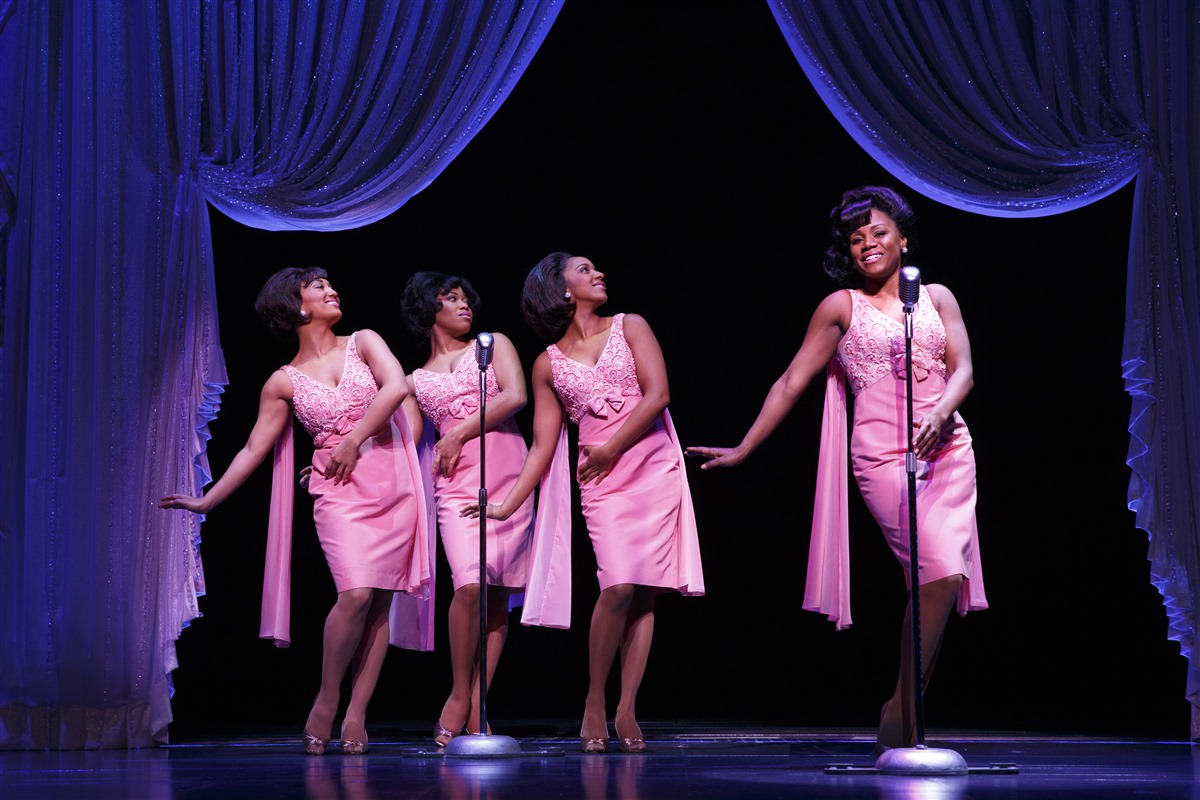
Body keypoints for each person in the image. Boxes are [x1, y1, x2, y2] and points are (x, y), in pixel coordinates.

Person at [685, 186, 987, 754]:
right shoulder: (840, 307)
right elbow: (791, 381)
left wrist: (944, 411)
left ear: (902, 237)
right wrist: (746, 447)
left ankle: (906, 709)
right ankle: (905, 706)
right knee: (941, 572)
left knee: (938, 582)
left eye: (877, 232)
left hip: (947, 448)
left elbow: (964, 368)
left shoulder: (936, 296)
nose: (868, 244)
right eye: (856, 239)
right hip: (880, 455)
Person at [160, 267, 432, 756]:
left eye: (331, 282)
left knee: (380, 603)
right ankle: (328, 698)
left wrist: (351, 440)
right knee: (355, 592)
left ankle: (357, 712)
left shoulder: (363, 340)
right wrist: (206, 499)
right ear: (296, 306)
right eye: (318, 286)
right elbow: (251, 450)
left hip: (392, 481)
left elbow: (395, 388)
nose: (332, 289)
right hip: (340, 491)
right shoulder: (281, 381)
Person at [464, 252, 705, 755]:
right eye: (585, 269)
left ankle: (627, 706)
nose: (599, 273)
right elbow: (543, 446)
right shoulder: (546, 363)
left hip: (652, 467)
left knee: (644, 591)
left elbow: (658, 394)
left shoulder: (630, 325)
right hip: (602, 482)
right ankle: (595, 699)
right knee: (616, 584)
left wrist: (615, 445)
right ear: (562, 289)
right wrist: (507, 506)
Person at [400, 271, 535, 748]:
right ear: (426, 311)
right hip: (456, 486)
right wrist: (343, 466)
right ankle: (460, 694)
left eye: (466, 298)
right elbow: (407, 440)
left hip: (508, 477)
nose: (464, 306)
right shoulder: (414, 380)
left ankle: (480, 706)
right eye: (450, 298)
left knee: (496, 595)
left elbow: (516, 396)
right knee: (471, 584)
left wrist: (457, 432)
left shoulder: (491, 345)